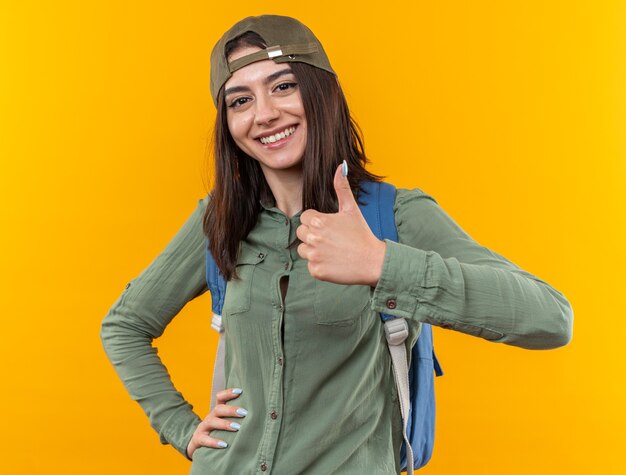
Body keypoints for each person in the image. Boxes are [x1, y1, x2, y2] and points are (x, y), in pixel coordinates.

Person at [100, 14, 574, 474]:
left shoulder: (394, 216)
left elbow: (550, 319)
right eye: (239, 101)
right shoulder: (220, 219)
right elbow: (124, 326)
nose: (264, 114)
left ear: (320, 93)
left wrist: (380, 263)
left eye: (283, 86)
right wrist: (182, 428)